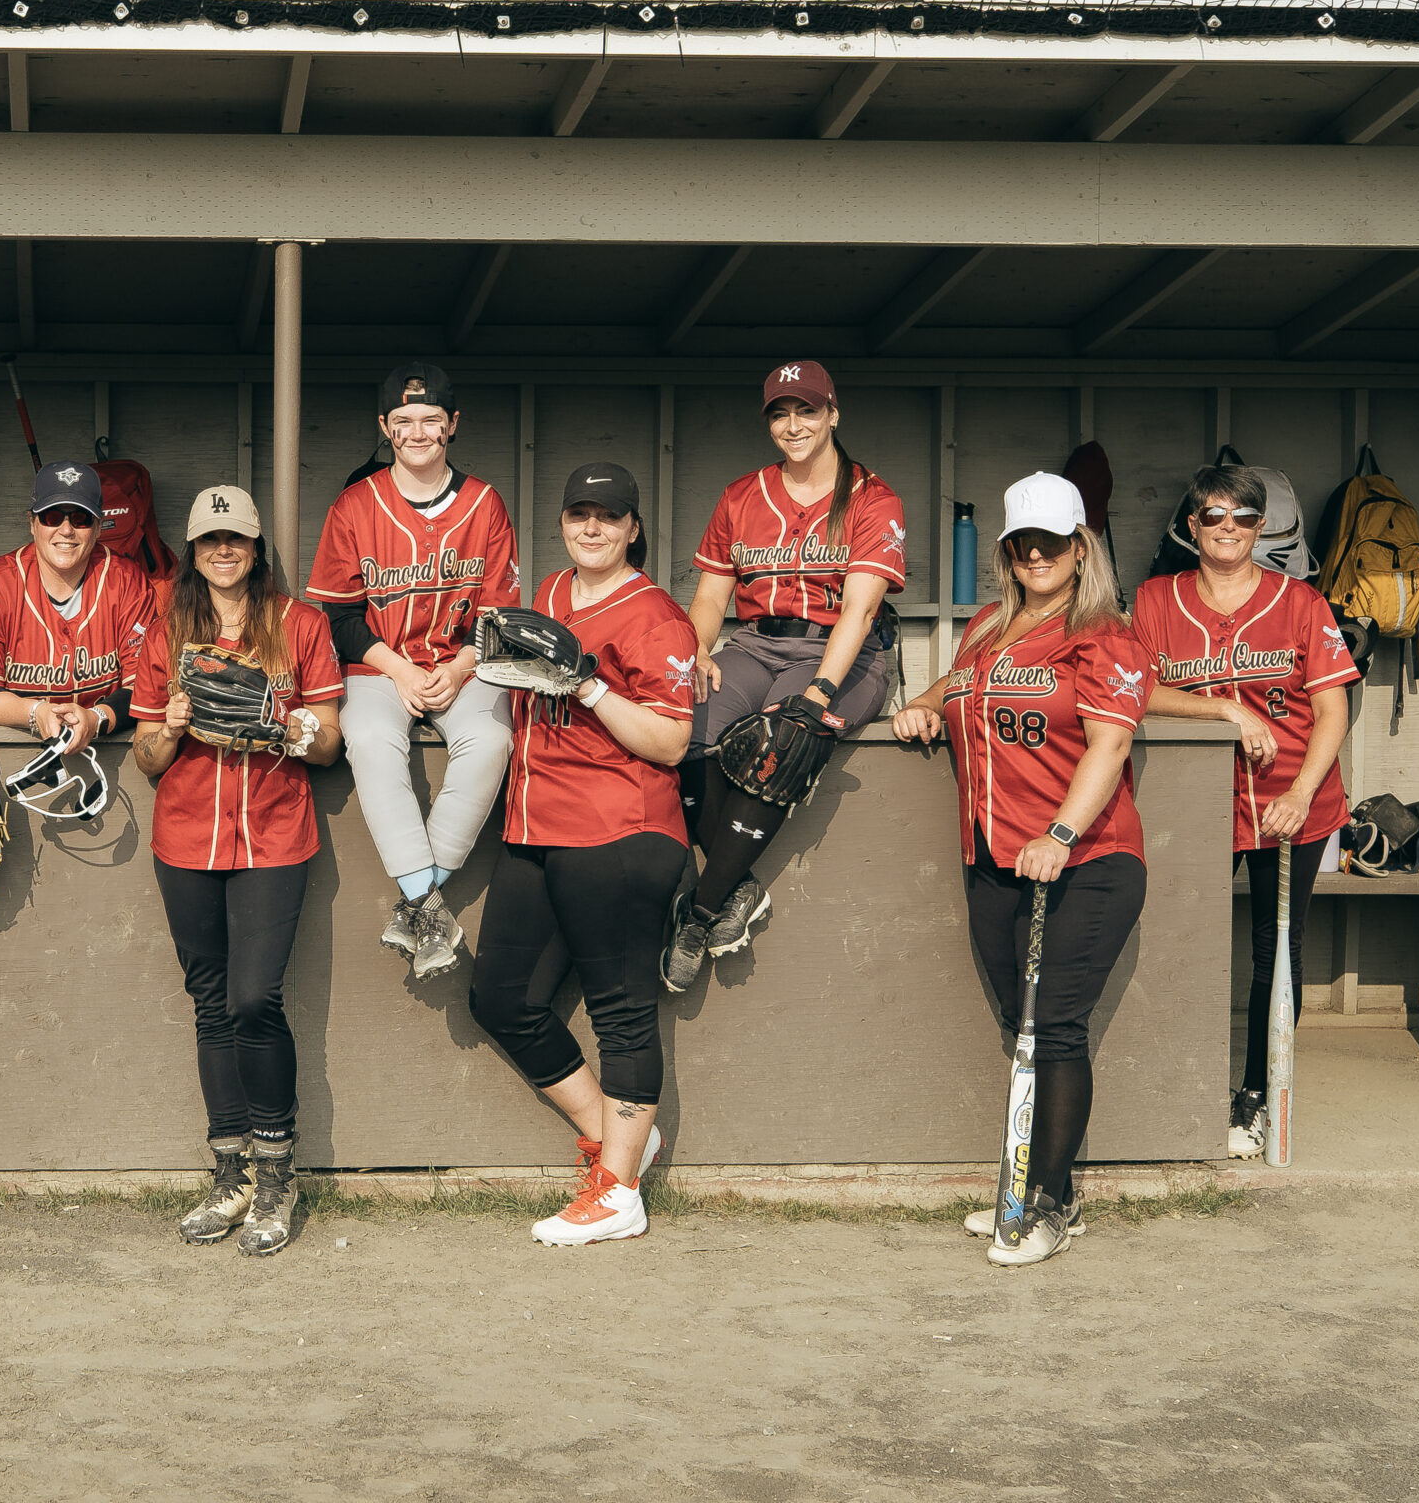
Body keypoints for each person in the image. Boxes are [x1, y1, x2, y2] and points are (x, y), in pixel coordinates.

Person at [892, 473, 1152, 1267]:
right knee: (1022, 1025)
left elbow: (1111, 743)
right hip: (994, 857)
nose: (1036, 555)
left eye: (1053, 542)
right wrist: (925, 703)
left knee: (1056, 1028)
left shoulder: (1105, 634)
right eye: (1022, 544)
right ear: (1007, 552)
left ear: (1082, 549)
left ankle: (1045, 1203)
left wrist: (1062, 832)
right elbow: (960, 686)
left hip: (1087, 860)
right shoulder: (987, 626)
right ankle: (1044, 1189)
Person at [468, 466, 698, 1246]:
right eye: (579, 514)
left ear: (634, 527)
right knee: (500, 999)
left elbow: (671, 740)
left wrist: (591, 688)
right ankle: (621, 1139)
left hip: (618, 829)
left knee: (620, 1013)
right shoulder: (550, 595)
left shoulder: (657, 616)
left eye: (609, 516)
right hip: (536, 829)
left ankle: (618, 1193)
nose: (592, 528)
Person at [134, 485, 345, 1257]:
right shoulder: (167, 628)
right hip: (187, 836)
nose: (224, 551)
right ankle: (231, 1173)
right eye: (210, 540)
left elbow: (330, 742)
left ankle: (277, 1174)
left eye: (237, 539)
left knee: (255, 999)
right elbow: (147, 757)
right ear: (192, 551)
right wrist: (170, 728)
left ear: (257, 548)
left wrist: (289, 727)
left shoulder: (301, 624)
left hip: (274, 835)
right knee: (211, 1003)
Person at [1131, 466, 1356, 1158]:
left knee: (1275, 948)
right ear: (1191, 526)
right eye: (1213, 515)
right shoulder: (1157, 598)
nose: (1228, 527)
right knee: (1173, 939)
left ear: (1263, 528)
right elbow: (1137, 691)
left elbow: (1332, 709)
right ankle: (1169, 1082)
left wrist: (1301, 794)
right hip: (1195, 800)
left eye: (1244, 516)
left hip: (1291, 799)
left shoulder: (1301, 602)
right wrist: (1226, 709)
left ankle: (1256, 1091)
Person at [672, 359, 908, 991]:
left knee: (781, 742)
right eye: (780, 413)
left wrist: (819, 693)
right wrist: (696, 653)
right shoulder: (740, 495)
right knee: (677, 731)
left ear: (833, 414)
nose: (794, 425)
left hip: (843, 652)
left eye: (808, 410)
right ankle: (738, 887)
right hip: (755, 643)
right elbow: (711, 597)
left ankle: (700, 913)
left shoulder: (873, 497)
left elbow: (859, 611)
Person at [306, 362, 520, 979]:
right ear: (385, 427)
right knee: (370, 737)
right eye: (404, 420)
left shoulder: (484, 504)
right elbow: (338, 616)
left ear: (452, 425)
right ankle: (429, 905)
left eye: (431, 419)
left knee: (492, 740)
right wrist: (399, 670)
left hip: (464, 664)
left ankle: (416, 904)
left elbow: (499, 616)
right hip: (379, 665)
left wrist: (460, 667)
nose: (418, 432)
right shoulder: (355, 505)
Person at [0, 459, 155, 755]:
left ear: (98, 527)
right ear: (32, 523)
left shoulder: (127, 582)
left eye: (81, 518)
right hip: (13, 754)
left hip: (108, 755)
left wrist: (96, 718)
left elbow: (144, 686)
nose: (66, 530)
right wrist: (35, 711)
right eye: (52, 516)